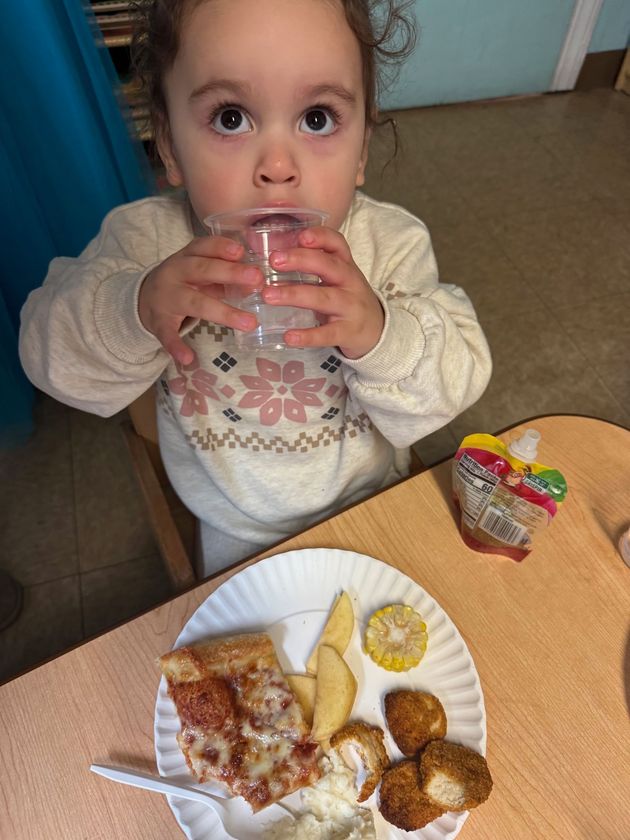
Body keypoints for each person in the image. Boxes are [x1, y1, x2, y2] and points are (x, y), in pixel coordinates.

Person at [19, 0, 492, 576]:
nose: (277, 166)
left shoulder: (390, 244)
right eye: (230, 118)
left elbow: (457, 381)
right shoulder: (147, 242)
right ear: (168, 145)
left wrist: (382, 335)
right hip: (235, 527)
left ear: (362, 150)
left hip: (372, 500)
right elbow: (47, 356)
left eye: (317, 118)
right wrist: (135, 309)